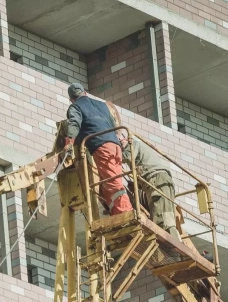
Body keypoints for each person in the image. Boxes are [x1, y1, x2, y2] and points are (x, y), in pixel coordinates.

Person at [64, 83, 132, 216]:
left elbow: (74, 123)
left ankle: (125, 213)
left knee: (112, 182)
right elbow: (114, 125)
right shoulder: (102, 105)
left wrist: (69, 142)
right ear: (85, 92)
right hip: (115, 146)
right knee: (113, 181)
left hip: (102, 146)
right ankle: (115, 211)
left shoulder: (75, 107)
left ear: (71, 99)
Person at [117, 131, 181, 241]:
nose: (121, 148)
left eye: (120, 144)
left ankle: (175, 249)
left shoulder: (134, 144)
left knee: (163, 220)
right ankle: (175, 247)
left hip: (157, 181)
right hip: (160, 181)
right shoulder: (141, 149)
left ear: (125, 139)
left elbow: (126, 156)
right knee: (164, 218)